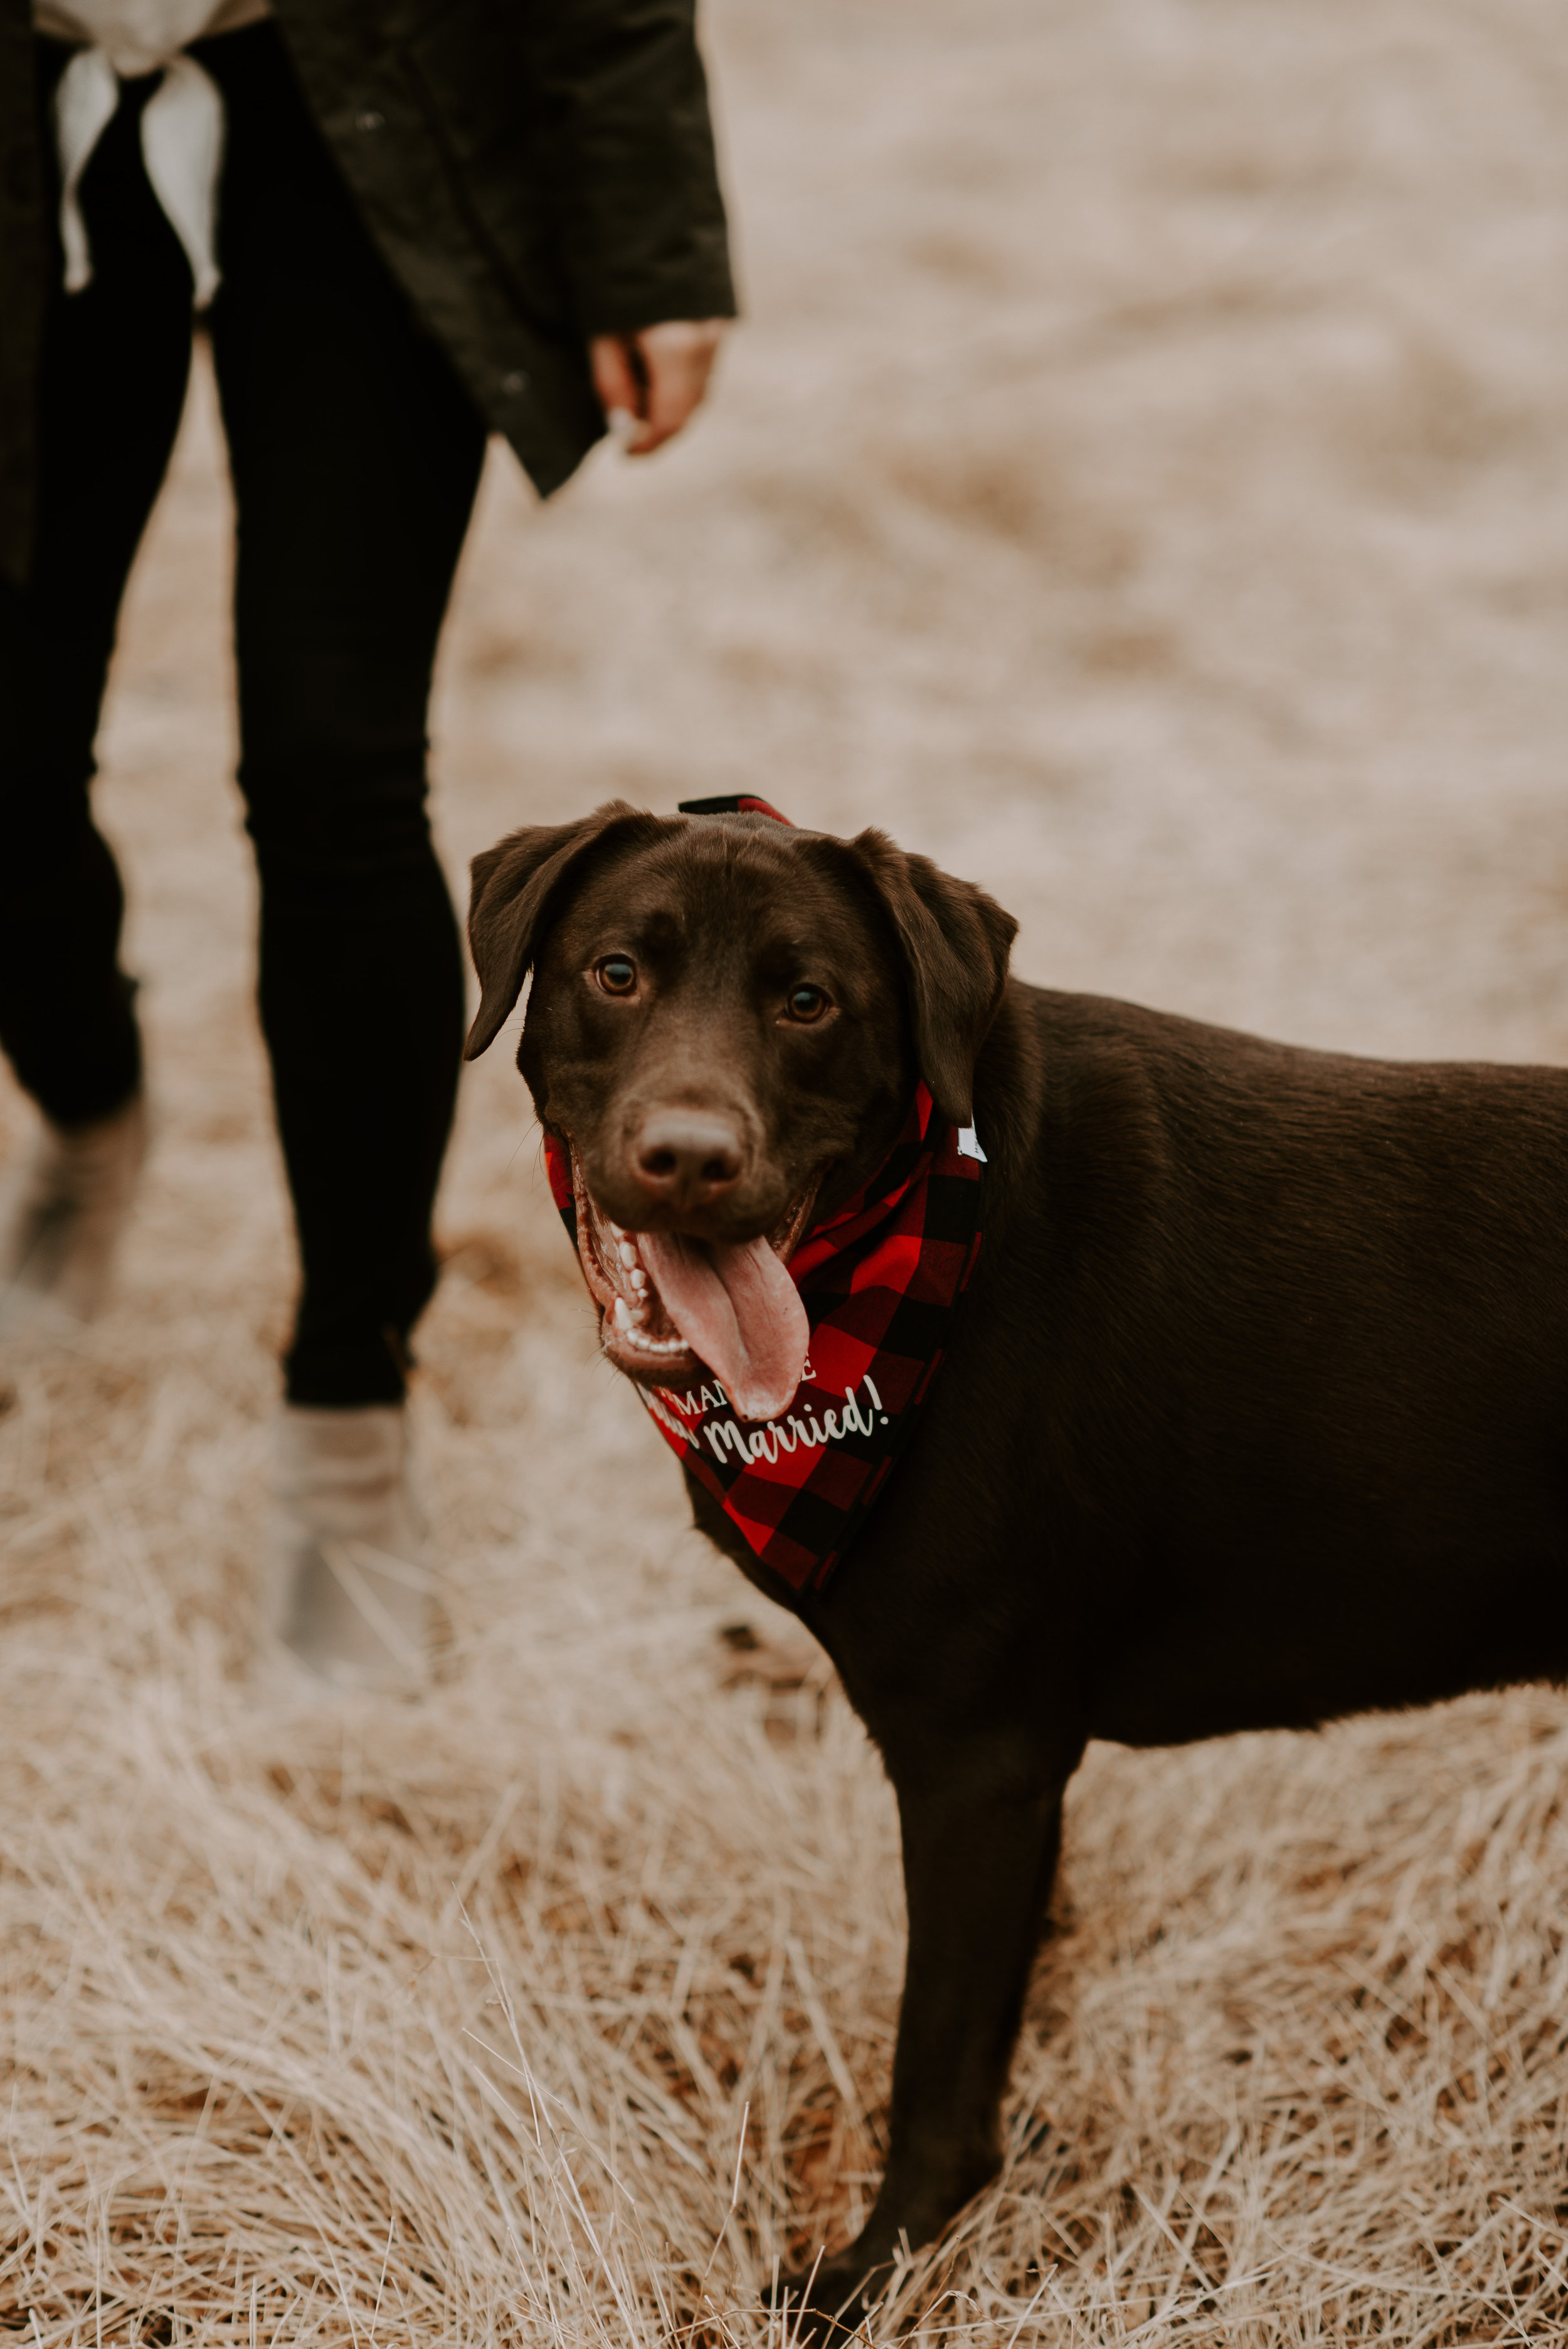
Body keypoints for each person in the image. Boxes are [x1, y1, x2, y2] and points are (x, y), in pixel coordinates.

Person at [0, 0, 734, 1689]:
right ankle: (89, 1102)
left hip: (368, 81)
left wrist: (646, 222)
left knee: (334, 772)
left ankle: (348, 1397)